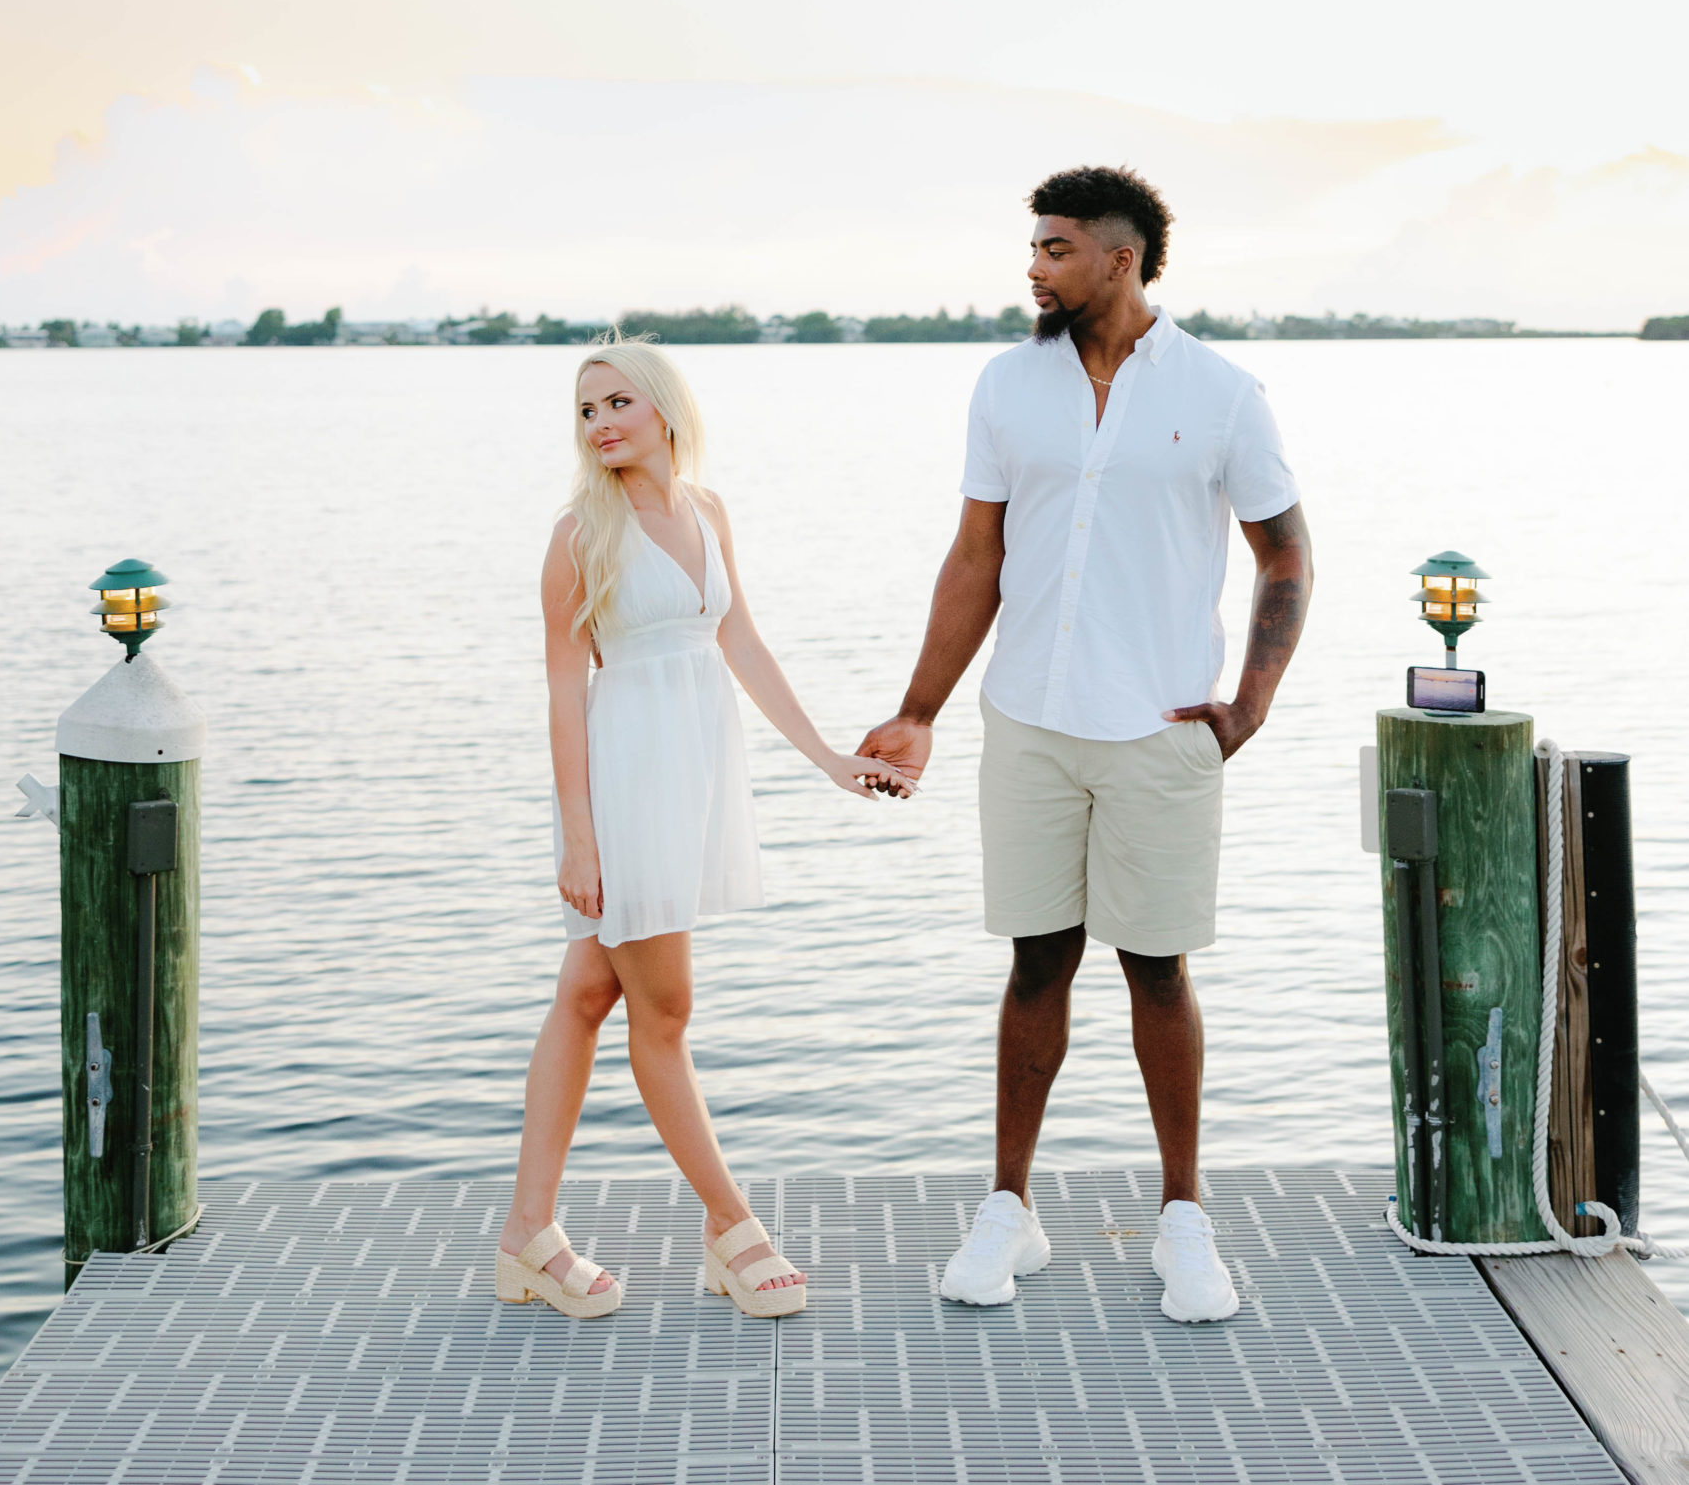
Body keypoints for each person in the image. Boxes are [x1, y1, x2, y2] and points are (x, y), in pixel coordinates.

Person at [859, 165, 1312, 1322]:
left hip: (1160, 730)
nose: (1035, 266)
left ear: (1122, 258)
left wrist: (1247, 706)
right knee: (1034, 963)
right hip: (1029, 722)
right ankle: (1009, 1207)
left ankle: (1184, 1219)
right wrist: (919, 708)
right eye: (1035, 247)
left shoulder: (1221, 392)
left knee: (1157, 969)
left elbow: (1287, 559)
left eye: (1057, 248)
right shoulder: (1008, 386)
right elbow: (976, 560)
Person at [495, 337, 898, 1322]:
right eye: (586, 410)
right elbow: (562, 689)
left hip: (691, 777)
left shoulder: (707, 511)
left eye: (617, 401)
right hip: (623, 780)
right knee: (663, 1012)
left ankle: (526, 1237)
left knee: (590, 992)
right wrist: (579, 839)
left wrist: (828, 757)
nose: (600, 424)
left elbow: (742, 641)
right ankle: (732, 1225)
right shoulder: (578, 533)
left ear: (666, 407)